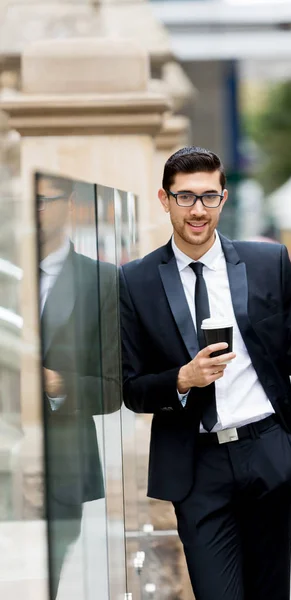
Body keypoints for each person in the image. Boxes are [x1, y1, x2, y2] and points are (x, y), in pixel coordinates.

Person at [119, 147, 291, 600]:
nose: (198, 210)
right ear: (164, 198)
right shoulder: (135, 282)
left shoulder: (267, 264)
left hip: (269, 452)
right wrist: (182, 379)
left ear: (223, 198)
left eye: (209, 197)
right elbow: (132, 388)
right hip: (196, 466)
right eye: (186, 197)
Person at [37, 174, 121, 599]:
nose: (33, 211)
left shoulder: (101, 280)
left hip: (63, 462)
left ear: (69, 205)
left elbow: (112, 389)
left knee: (42, 580)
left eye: (44, 200)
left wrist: (59, 386)